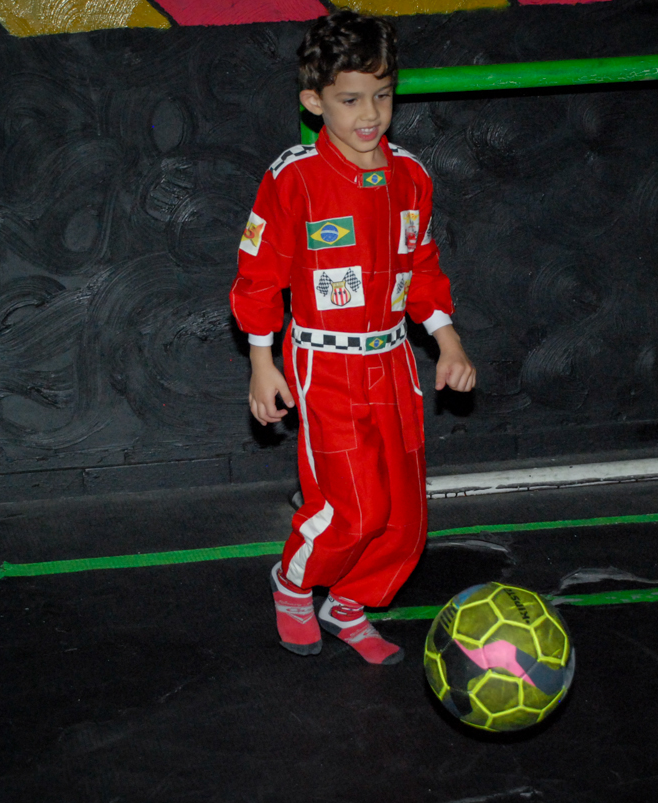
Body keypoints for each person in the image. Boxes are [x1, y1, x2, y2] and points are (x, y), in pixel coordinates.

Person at [230, 10, 475, 665]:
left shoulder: (412, 178)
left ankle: (348, 604)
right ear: (314, 102)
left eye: (384, 94)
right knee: (355, 506)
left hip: (394, 361)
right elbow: (258, 276)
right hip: (323, 364)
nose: (371, 113)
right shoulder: (294, 177)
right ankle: (293, 582)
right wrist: (262, 360)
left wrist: (447, 341)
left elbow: (421, 268)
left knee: (404, 518)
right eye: (350, 99)